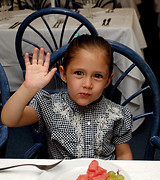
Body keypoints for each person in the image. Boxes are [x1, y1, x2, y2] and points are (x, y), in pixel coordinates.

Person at [1, 34, 133, 160]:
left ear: (108, 81)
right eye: (79, 73)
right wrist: (27, 88)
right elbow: (9, 119)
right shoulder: (49, 106)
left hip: (101, 179)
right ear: (63, 74)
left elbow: (123, 154)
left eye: (97, 76)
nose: (87, 84)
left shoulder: (118, 114)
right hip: (62, 179)